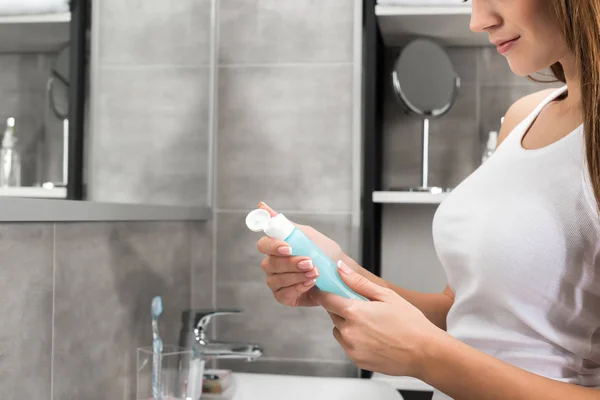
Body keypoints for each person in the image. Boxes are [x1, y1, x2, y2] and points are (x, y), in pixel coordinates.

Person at [254, 1, 600, 399]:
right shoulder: (522, 117)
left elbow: (436, 348)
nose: (478, 21)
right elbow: (463, 313)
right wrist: (337, 271)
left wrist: (424, 356)